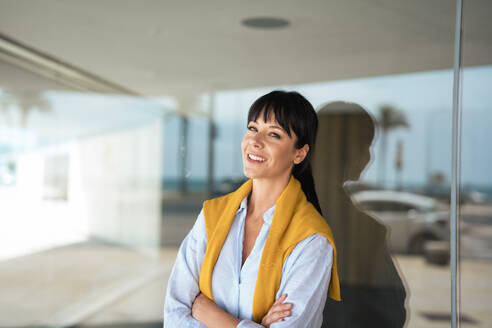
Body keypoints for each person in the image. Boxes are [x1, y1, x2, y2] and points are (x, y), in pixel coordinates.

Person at [163, 90, 341, 327]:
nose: (255, 141)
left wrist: (211, 315)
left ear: (299, 153)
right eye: (253, 128)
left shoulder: (311, 239)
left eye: (274, 135)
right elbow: (174, 314)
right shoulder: (212, 215)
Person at [313, 101, 407, 327]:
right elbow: (391, 312)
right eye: (366, 145)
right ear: (341, 150)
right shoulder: (361, 229)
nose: (369, 156)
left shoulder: (269, 209)